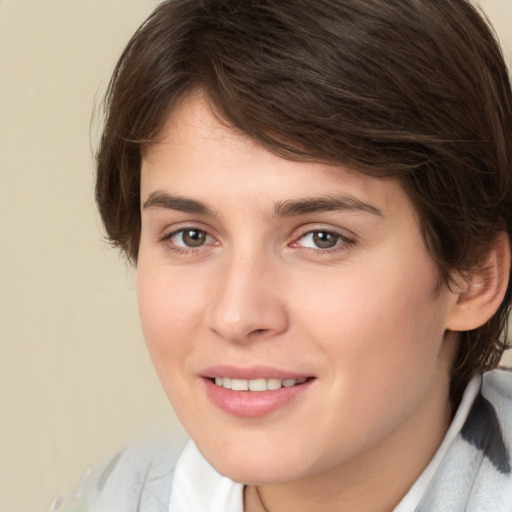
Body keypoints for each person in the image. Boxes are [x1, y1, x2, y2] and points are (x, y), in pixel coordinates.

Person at [56, 0, 512, 510]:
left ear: (473, 275)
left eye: (322, 238)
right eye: (190, 236)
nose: (236, 315)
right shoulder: (111, 496)